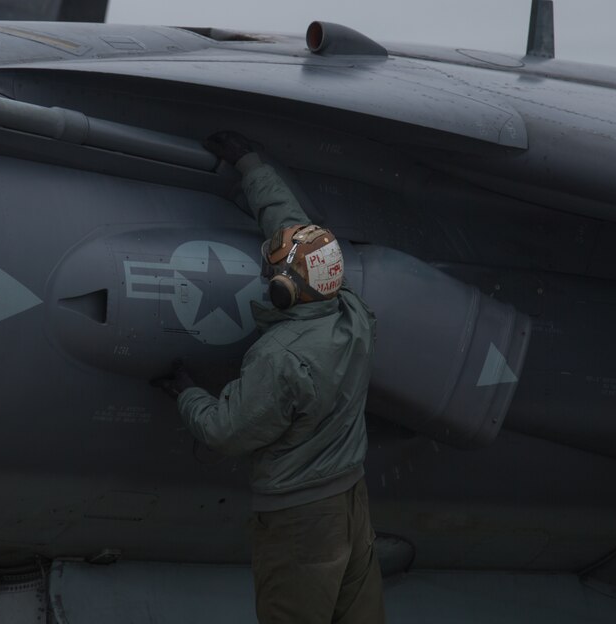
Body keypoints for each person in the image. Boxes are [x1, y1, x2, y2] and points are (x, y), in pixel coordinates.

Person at [154, 131, 385, 624]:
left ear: (283, 289)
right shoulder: (350, 311)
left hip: (300, 522)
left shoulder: (279, 358)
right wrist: (251, 165)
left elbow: (224, 430)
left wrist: (187, 393)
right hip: (351, 502)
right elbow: (293, 227)